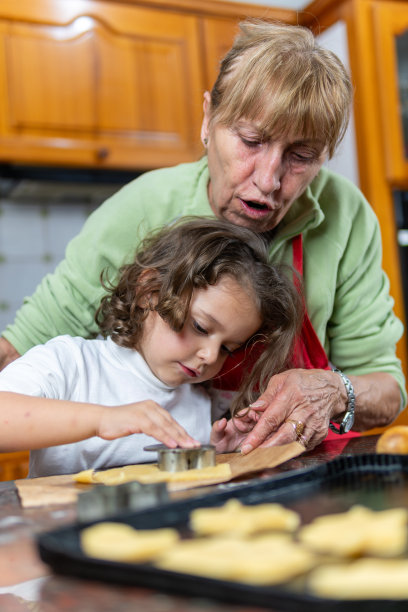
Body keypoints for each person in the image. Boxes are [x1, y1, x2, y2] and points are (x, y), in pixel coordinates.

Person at [0, 19, 405, 453]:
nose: (269, 180)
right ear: (209, 118)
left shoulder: (346, 215)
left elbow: (388, 390)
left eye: (301, 156)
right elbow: (19, 353)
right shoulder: (139, 209)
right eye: (251, 140)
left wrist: (333, 390)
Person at [0, 218, 301, 477]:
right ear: (150, 293)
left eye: (227, 348)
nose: (209, 356)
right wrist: (104, 418)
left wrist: (218, 456)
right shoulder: (71, 363)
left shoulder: (201, 401)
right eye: (200, 327)